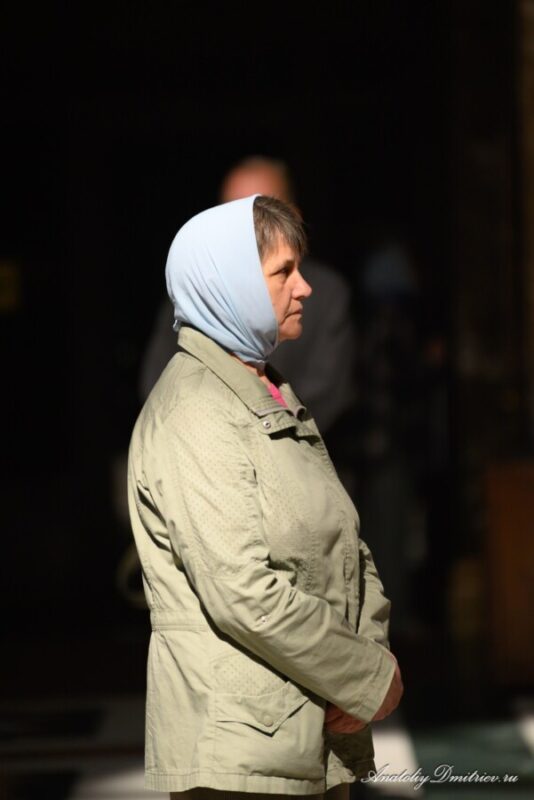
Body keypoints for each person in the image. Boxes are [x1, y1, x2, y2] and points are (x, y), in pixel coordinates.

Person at [128, 195, 403, 799]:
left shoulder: (266, 389)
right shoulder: (195, 409)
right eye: (284, 272)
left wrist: (367, 658)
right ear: (230, 286)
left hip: (303, 734)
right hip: (242, 756)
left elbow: (343, 545)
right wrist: (362, 675)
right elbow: (244, 593)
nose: (305, 288)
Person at [139, 157, 356, 438]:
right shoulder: (195, 295)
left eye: (259, 213)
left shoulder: (325, 294)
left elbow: (326, 394)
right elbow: (158, 382)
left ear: (293, 216)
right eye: (229, 213)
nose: (241, 227)